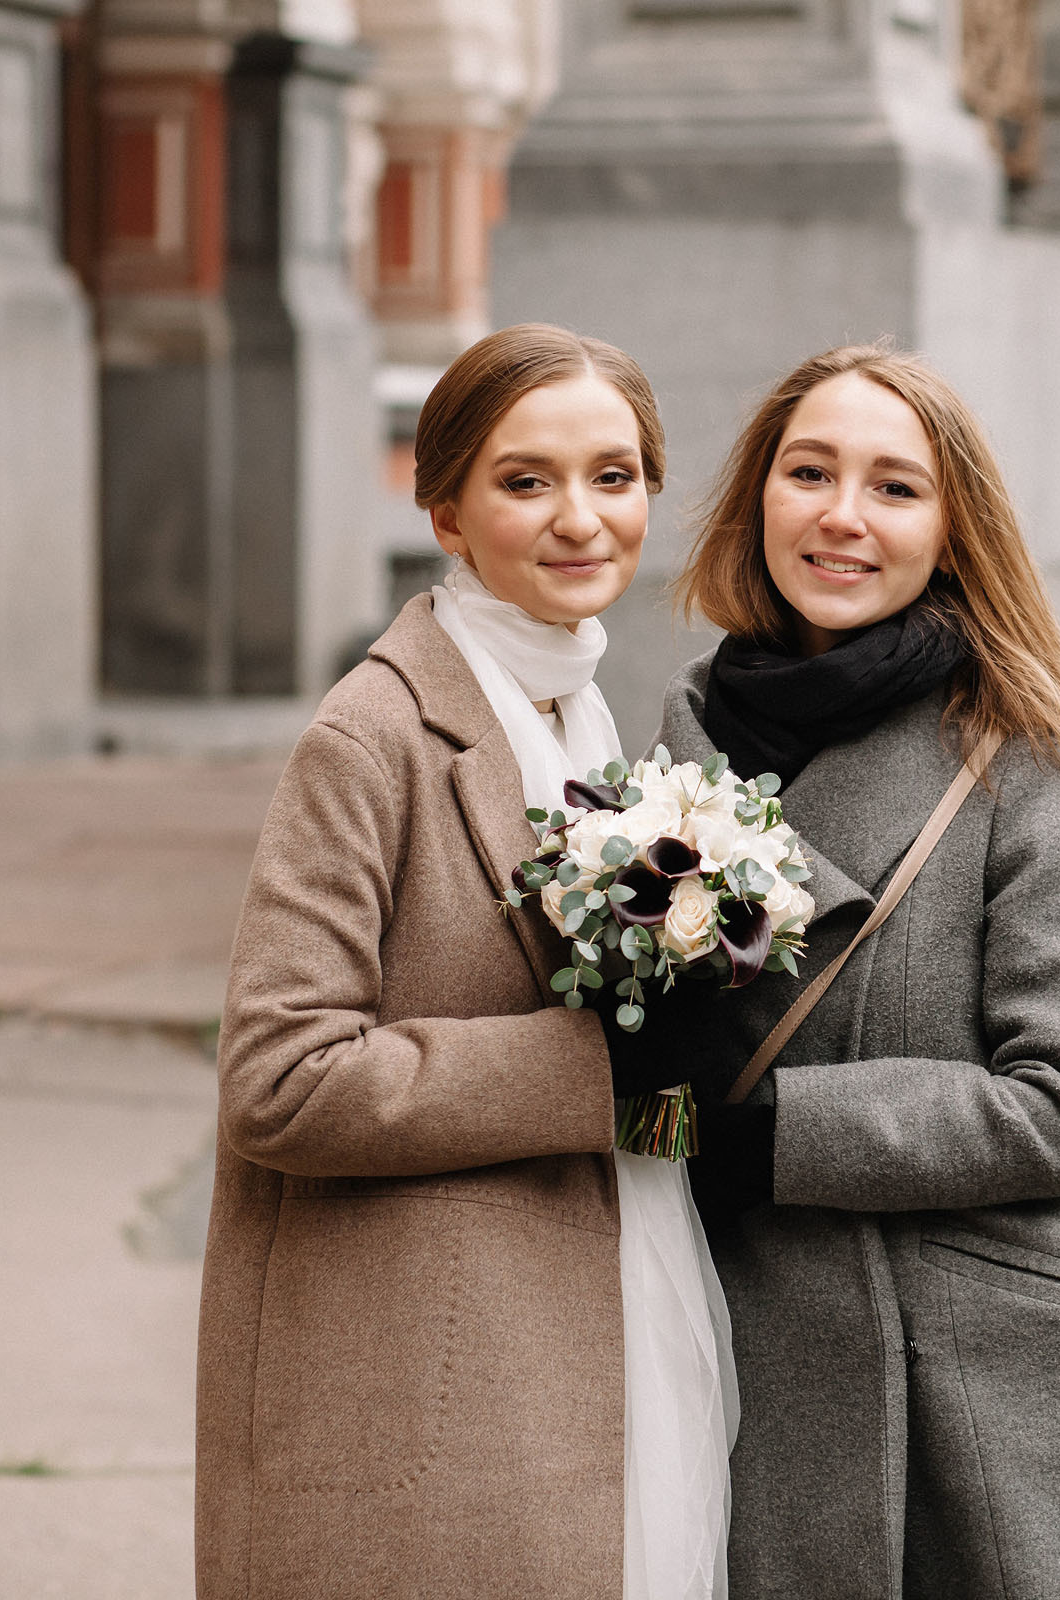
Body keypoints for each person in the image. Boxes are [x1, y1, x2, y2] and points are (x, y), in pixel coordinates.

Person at [197, 323, 735, 1600]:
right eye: (525, 480)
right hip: (426, 1365)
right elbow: (278, 1076)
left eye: (614, 476)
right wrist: (598, 1067)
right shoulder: (373, 733)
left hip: (608, 1300)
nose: (579, 519)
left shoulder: (588, 710)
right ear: (443, 506)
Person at [645, 342, 1060, 1598]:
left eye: (895, 487)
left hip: (987, 1381)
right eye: (809, 470)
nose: (841, 515)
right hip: (744, 1359)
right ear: (756, 498)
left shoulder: (1024, 756)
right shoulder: (677, 738)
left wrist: (776, 1132)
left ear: (953, 528)